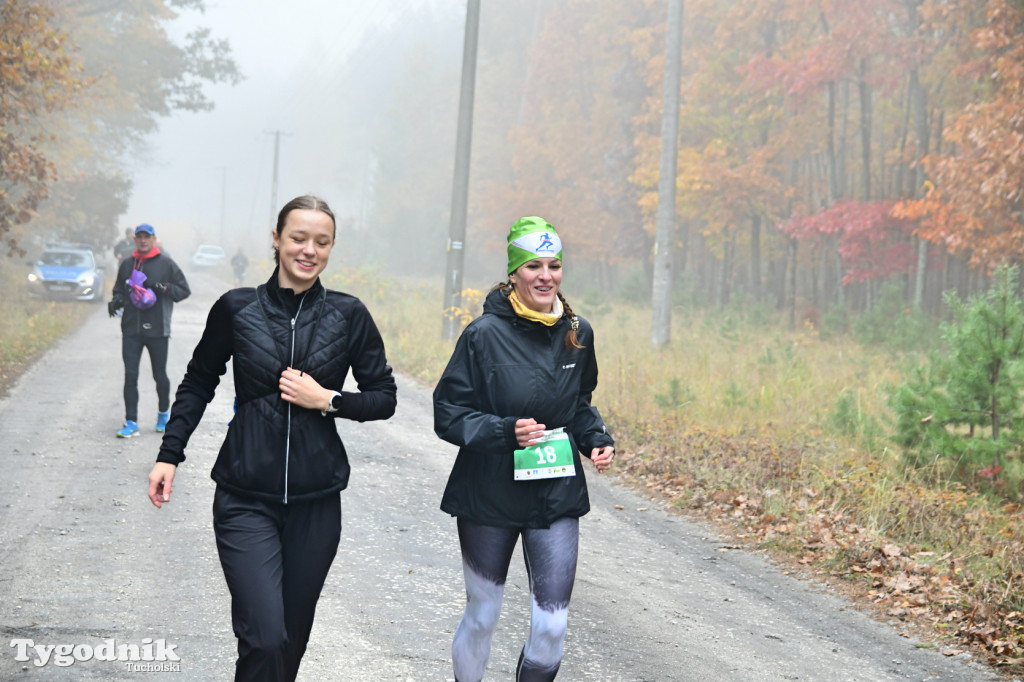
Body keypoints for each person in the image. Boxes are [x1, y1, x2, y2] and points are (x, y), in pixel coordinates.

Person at [146, 195, 397, 682]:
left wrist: (327, 399)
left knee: (290, 642)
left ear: (331, 248)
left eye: (321, 242)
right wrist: (168, 454)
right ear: (277, 239)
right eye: (298, 238)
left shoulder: (349, 314)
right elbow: (199, 381)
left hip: (316, 503)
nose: (309, 250)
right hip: (245, 496)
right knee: (264, 636)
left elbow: (384, 397)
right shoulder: (237, 307)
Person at [432, 216, 615, 682]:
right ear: (513, 272)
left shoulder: (579, 332)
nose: (545, 275)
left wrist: (595, 439)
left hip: (554, 489)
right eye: (533, 265)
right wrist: (504, 432)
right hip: (488, 490)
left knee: (552, 625)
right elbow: (447, 413)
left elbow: (578, 402)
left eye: (554, 265)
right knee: (483, 614)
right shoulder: (482, 335)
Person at [108, 223, 191, 437]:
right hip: (131, 329)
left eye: (147, 237)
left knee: (159, 375)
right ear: (135, 240)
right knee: (130, 375)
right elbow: (119, 290)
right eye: (140, 237)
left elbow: (184, 290)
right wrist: (116, 300)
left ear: (154, 239)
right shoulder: (127, 264)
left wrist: (164, 288)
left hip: (157, 329)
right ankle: (131, 422)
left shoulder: (166, 263)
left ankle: (163, 414)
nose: (143, 240)